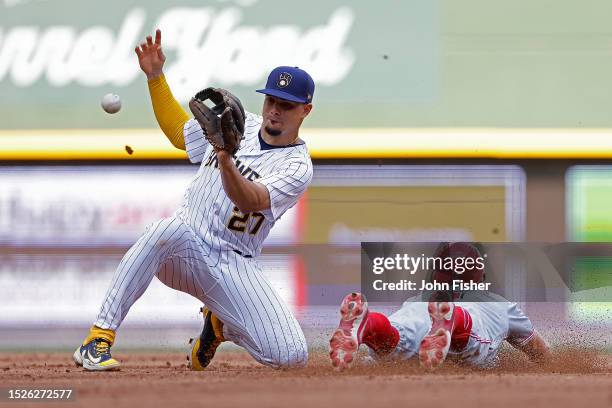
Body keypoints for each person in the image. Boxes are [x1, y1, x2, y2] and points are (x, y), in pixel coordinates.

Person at [73, 29, 314, 371]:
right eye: (271, 100)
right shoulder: (239, 126)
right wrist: (155, 78)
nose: (275, 110)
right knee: (164, 230)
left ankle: (218, 325)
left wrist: (226, 159)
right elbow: (178, 133)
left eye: (286, 105)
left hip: (235, 263)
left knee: (292, 357)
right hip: (187, 246)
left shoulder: (297, 166)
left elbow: (249, 199)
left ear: (305, 109)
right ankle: (98, 338)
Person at [330, 243, 552, 370]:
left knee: (392, 339)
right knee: (470, 342)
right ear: (481, 277)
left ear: (435, 275)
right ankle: (453, 321)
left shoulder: (415, 301)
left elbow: (376, 360)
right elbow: (541, 353)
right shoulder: (499, 306)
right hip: (465, 323)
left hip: (418, 316)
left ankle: (367, 325)